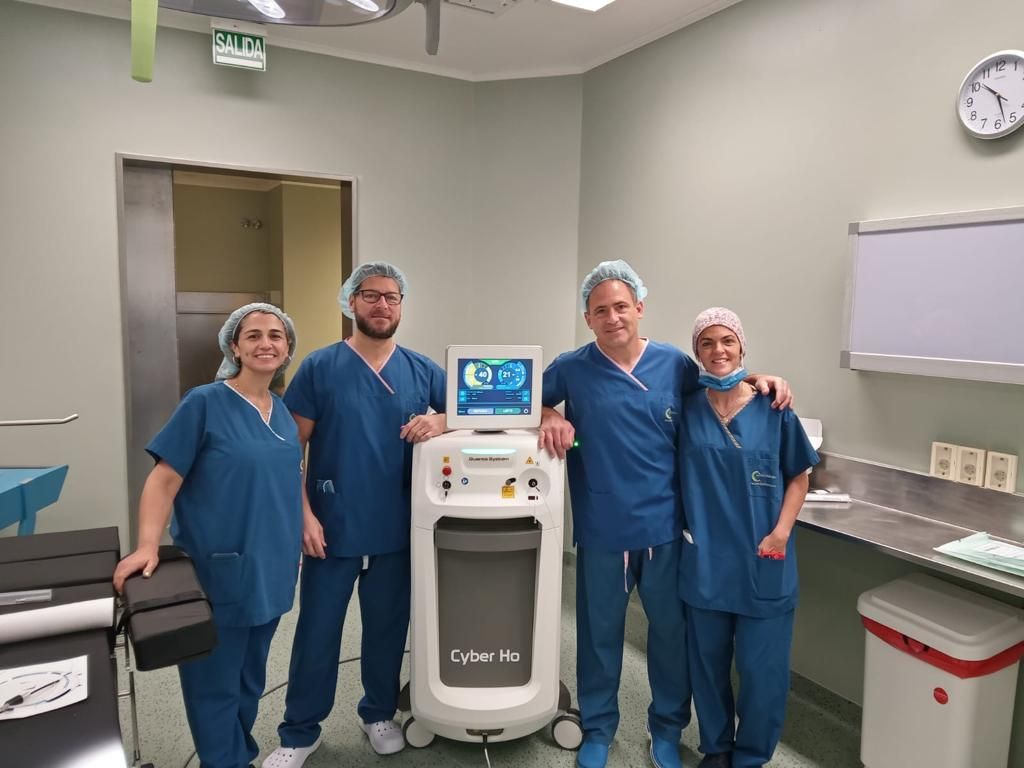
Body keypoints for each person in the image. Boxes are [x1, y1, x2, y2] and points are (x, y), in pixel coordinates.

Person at [538, 261, 792, 768]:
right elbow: (524, 405)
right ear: (588, 318)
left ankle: (667, 730)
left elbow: (725, 390)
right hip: (603, 529)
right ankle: (597, 729)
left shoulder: (675, 365)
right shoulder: (571, 367)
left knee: (671, 639)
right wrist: (548, 413)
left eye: (621, 307)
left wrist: (762, 378)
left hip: (667, 530)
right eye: (601, 310)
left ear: (640, 308)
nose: (613, 318)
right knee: (599, 635)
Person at [263, 262, 446, 768]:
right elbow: (289, 451)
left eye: (391, 297)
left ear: (401, 305)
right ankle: (300, 731)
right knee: (318, 631)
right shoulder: (321, 368)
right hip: (332, 524)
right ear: (351, 303)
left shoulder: (422, 369)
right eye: (370, 296)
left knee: (388, 627)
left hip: (397, 525)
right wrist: (303, 516)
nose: (381, 305)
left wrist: (439, 418)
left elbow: (473, 411)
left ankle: (378, 713)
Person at [113, 303, 303, 768]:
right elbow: (163, 479)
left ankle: (239, 753)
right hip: (219, 570)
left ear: (287, 348)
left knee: (250, 680)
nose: (265, 344)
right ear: (234, 346)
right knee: (213, 684)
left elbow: (284, 484)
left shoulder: (280, 412)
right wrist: (146, 545)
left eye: (275, 336)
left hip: (272, 569)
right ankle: (224, 760)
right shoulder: (205, 402)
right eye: (253, 335)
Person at [678, 308, 818, 768]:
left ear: (742, 347)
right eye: (707, 343)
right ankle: (717, 748)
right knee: (708, 664)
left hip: (764, 558)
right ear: (696, 352)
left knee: (763, 672)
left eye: (728, 342)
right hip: (706, 559)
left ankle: (751, 757)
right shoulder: (687, 405)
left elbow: (800, 475)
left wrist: (781, 533)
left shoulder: (774, 408)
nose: (719, 351)